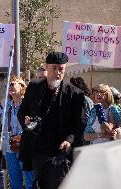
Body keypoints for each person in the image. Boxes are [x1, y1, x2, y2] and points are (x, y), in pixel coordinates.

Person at [17, 52, 85, 189]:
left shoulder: (75, 94)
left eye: (61, 69)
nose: (57, 72)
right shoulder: (34, 87)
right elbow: (22, 111)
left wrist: (69, 140)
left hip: (60, 150)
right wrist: (26, 121)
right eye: (54, 68)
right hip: (38, 148)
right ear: (47, 67)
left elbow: (79, 122)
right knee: (39, 185)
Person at [2, 75, 34, 189]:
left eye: (12, 84)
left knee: (30, 181)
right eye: (7, 85)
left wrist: (22, 136)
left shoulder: (29, 104)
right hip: (10, 148)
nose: (9, 87)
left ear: (21, 87)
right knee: (14, 182)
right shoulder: (7, 105)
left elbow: (33, 124)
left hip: (25, 147)